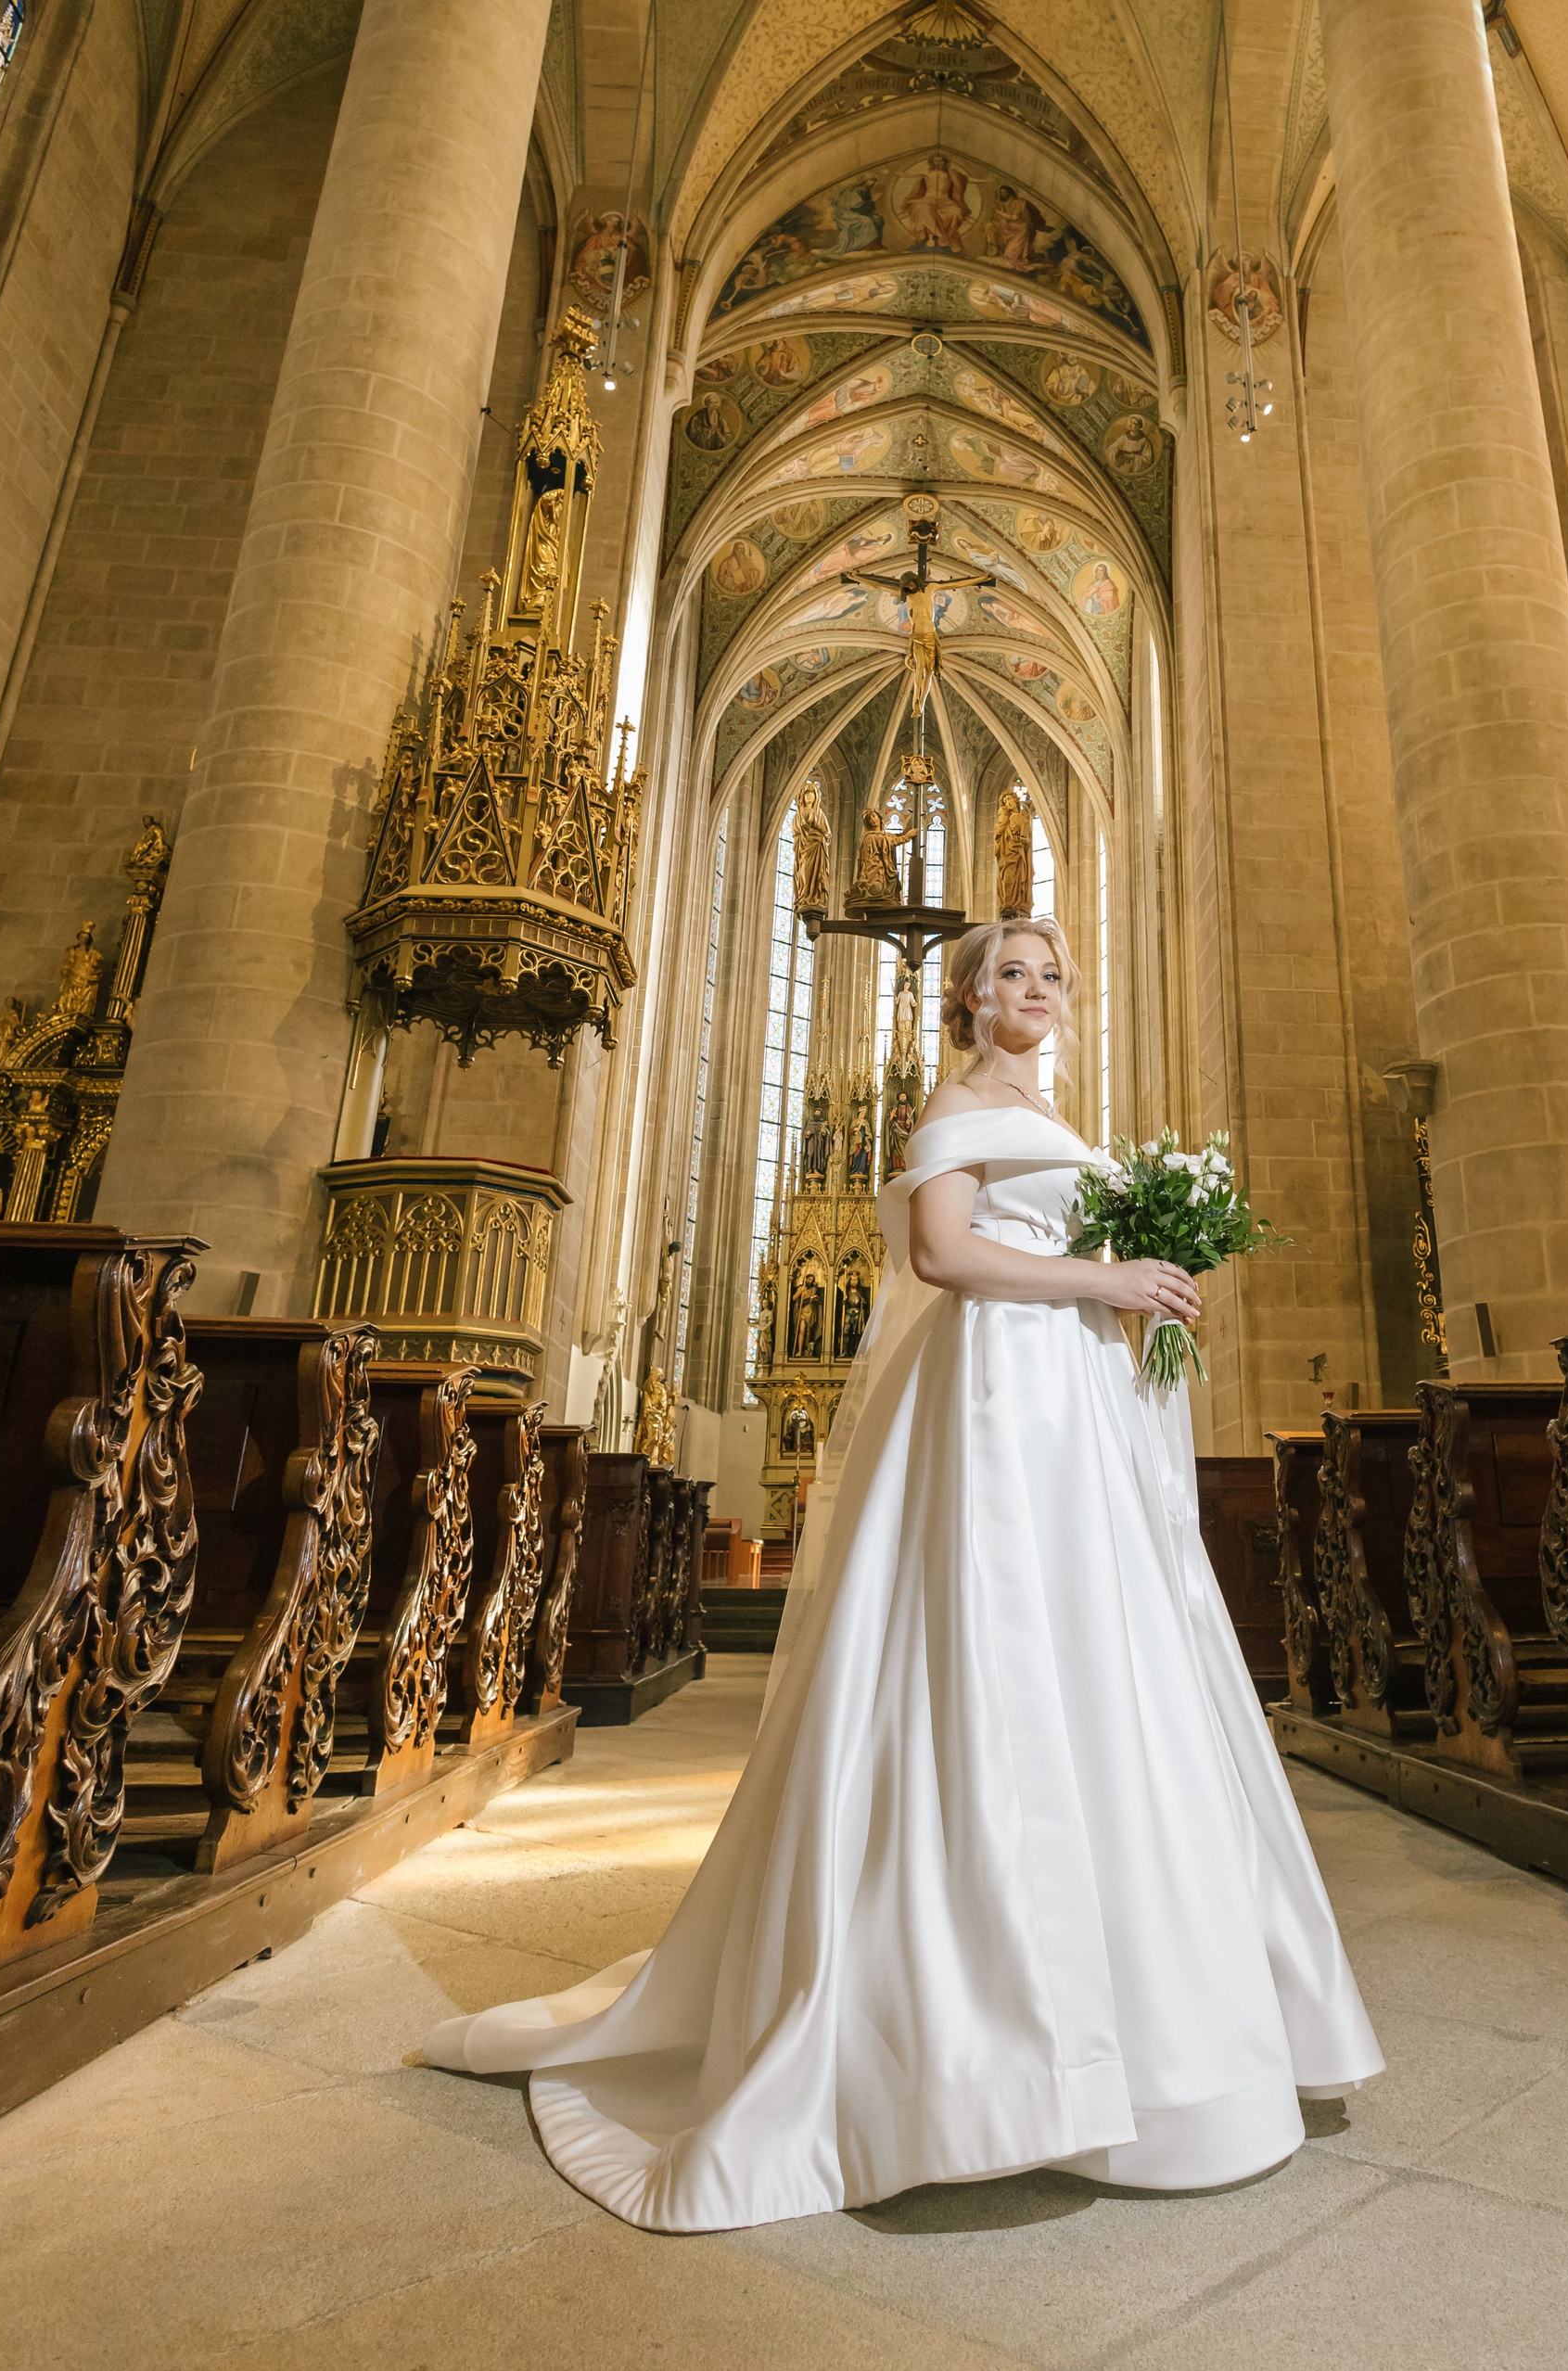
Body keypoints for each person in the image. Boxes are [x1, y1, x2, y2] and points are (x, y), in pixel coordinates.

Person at [423, 917, 1382, 2231]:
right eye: (1007, 974)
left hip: (1076, 1419)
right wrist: (1102, 1273)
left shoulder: (1061, 1114)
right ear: (966, 998)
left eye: (1050, 972)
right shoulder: (956, 1105)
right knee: (995, 1663)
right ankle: (978, 2048)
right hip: (996, 1408)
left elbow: (1050, 1258)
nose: (1032, 989)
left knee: (1112, 1678)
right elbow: (939, 1254)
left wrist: (1135, 1296)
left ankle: (1164, 2034)